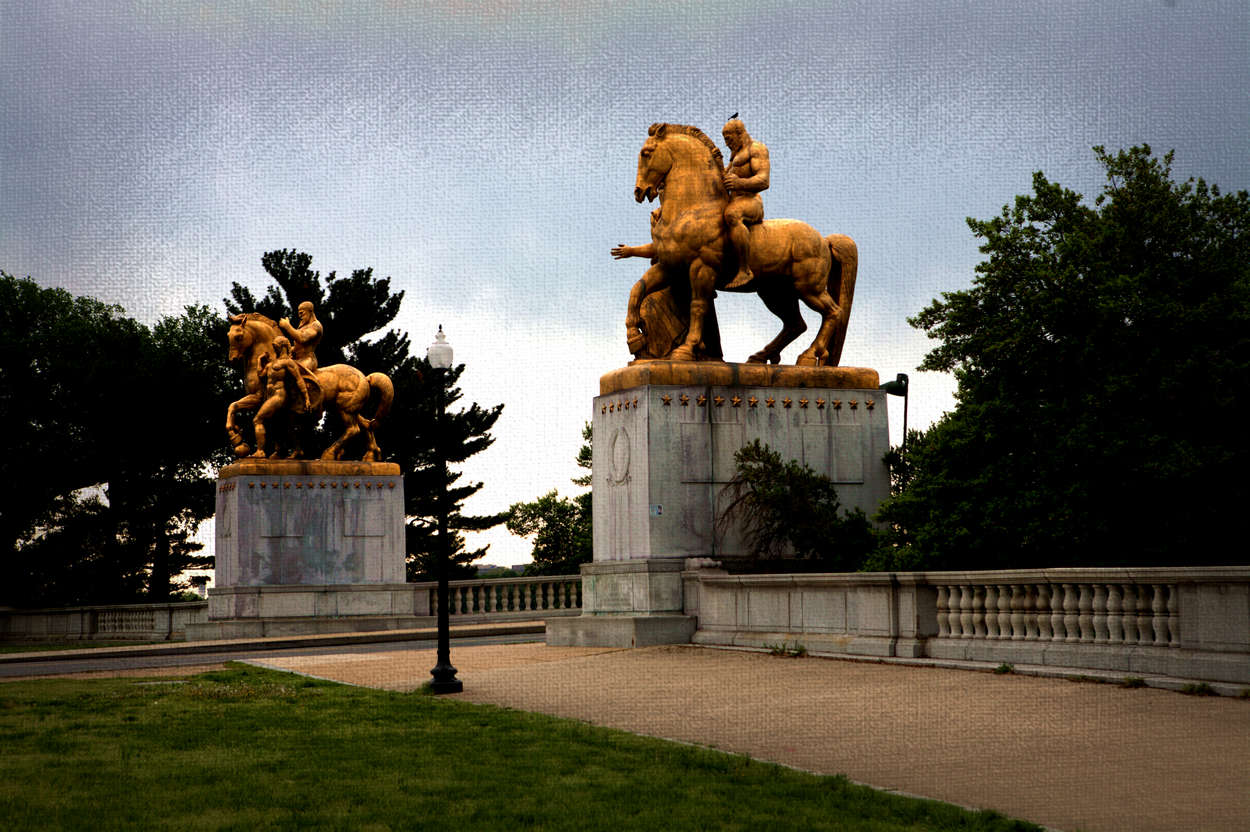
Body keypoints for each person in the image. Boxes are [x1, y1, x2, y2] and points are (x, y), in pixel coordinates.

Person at [721, 114, 770, 289]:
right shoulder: (734, 156)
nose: (727, 143)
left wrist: (739, 183)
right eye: (724, 140)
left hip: (751, 201)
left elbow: (764, 180)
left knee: (732, 214)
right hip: (734, 200)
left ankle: (744, 270)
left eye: (729, 138)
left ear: (739, 133)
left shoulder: (756, 149)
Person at [252, 336, 311, 458]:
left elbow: (299, 379)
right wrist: (259, 360)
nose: (274, 348)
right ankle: (297, 449)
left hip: (279, 396)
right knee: (284, 425)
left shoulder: (288, 362)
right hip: (271, 396)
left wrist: (306, 398)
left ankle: (260, 451)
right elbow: (261, 375)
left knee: (258, 419)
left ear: (282, 346)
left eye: (276, 346)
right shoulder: (273, 362)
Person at [279, 301, 323, 372]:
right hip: (296, 359)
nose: (300, 316)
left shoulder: (315, 325)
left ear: (310, 311)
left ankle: (301, 383)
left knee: (290, 371)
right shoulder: (303, 326)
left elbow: (302, 338)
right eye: (299, 313)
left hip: (308, 360)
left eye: (302, 313)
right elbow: (299, 346)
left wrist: (287, 326)